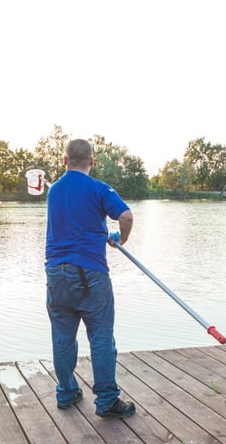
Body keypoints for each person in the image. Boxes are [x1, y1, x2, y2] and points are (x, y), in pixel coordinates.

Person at [44, 138, 136, 420]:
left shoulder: (54, 191)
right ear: (92, 162)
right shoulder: (98, 188)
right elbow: (126, 215)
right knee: (101, 339)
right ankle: (107, 401)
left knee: (62, 338)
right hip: (90, 275)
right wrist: (120, 238)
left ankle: (67, 392)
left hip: (56, 273)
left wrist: (100, 232)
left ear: (64, 161)